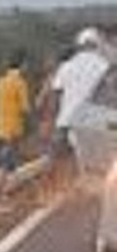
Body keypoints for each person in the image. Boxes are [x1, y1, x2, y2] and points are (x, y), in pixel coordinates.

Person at [49, 27, 110, 179]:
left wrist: (53, 121)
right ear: (97, 45)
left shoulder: (65, 66)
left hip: (65, 121)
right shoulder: (104, 65)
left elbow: (55, 96)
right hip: (95, 120)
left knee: (58, 163)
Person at [0, 49, 31, 211]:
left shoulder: (1, 81)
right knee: (3, 166)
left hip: (1, 128)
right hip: (12, 130)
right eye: (26, 63)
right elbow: (25, 109)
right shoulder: (20, 82)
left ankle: (1, 196)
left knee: (4, 165)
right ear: (23, 64)